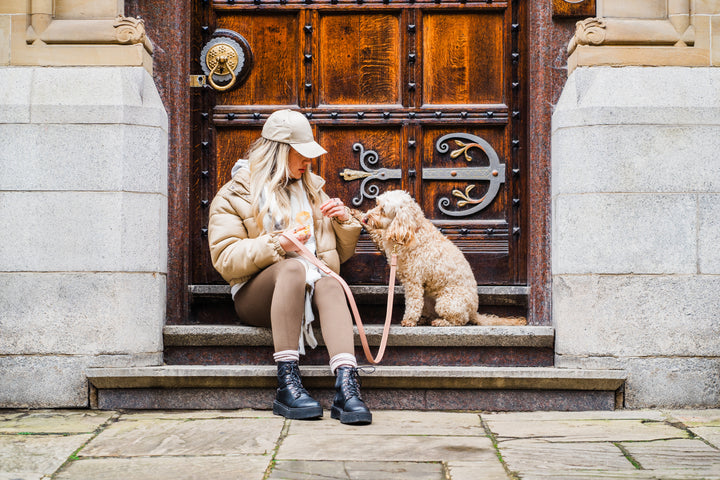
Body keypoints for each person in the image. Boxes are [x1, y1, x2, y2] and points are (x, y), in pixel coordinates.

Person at [208, 109, 372, 425]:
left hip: (311, 289)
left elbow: (340, 254)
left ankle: (347, 387)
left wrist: (342, 222)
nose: (308, 162)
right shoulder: (235, 193)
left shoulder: (311, 188)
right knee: (293, 269)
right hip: (258, 296)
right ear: (281, 152)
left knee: (330, 280)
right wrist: (276, 245)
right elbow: (226, 258)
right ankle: (287, 382)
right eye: (302, 154)